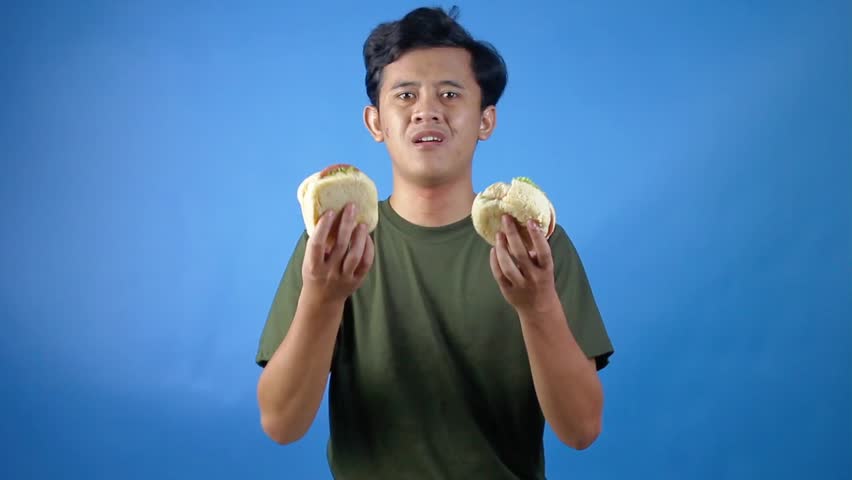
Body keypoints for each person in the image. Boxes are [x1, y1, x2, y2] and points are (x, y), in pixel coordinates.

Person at [255, 6, 614, 479]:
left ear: (486, 120)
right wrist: (324, 296)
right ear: (375, 122)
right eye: (405, 95)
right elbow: (281, 423)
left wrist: (537, 305)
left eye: (450, 93)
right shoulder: (331, 245)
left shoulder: (535, 245)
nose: (427, 109)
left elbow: (581, 430)